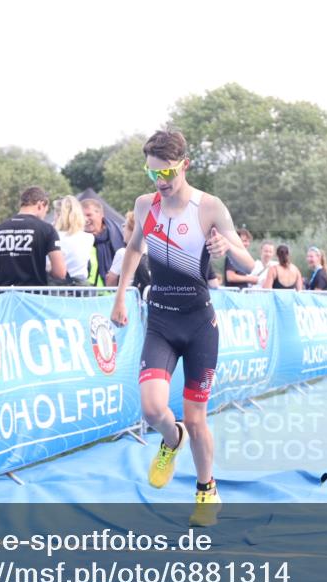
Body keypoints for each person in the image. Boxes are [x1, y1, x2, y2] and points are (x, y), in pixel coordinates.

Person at [110, 129, 254, 525]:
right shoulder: (145, 205)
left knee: (196, 417)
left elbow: (249, 264)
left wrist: (228, 249)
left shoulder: (209, 207)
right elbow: (135, 248)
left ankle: (207, 491)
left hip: (198, 326)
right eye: (152, 173)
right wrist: (120, 296)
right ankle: (171, 441)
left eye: (167, 173)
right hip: (160, 321)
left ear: (184, 165)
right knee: (152, 408)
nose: (160, 181)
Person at [0, 186, 67, 287]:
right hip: (33, 294)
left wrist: (6, 275)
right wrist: (41, 274)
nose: (44, 216)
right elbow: (60, 272)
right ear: (40, 205)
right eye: (46, 211)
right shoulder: (47, 230)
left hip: (5, 294)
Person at [83, 198, 125, 285]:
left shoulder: (119, 233)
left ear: (101, 214)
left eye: (88, 215)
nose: (85, 219)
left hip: (112, 290)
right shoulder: (75, 239)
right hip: (86, 290)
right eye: (81, 215)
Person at [55, 195, 95, 285]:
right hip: (81, 287)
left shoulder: (53, 236)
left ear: (58, 215)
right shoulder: (89, 238)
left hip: (57, 286)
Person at [106, 211, 151, 290]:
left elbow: (111, 281)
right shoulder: (153, 251)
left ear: (133, 230)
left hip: (129, 295)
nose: (122, 229)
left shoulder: (123, 253)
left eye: (124, 226)